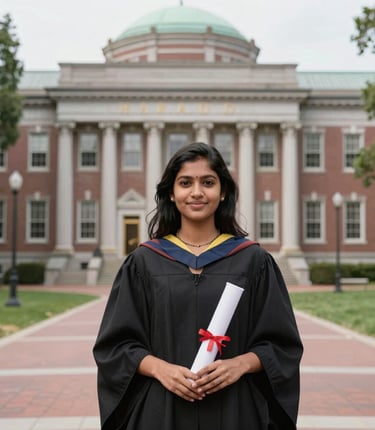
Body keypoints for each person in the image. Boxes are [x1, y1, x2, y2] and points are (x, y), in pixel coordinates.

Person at [93, 142, 303, 430]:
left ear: (223, 191)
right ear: (171, 192)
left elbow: (283, 345)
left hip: (235, 411)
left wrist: (240, 364)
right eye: (185, 183)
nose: (196, 192)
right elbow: (115, 347)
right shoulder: (144, 262)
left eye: (208, 182)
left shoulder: (252, 261)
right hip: (161, 412)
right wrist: (161, 369)